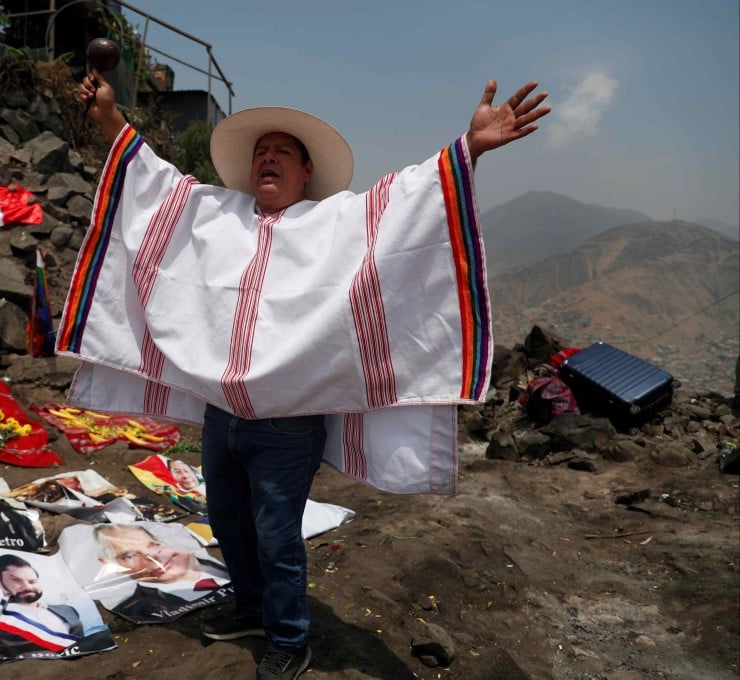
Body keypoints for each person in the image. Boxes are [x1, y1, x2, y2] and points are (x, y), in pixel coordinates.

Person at [73, 67, 549, 679]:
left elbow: (406, 203)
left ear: (306, 174)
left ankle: (290, 638)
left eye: (283, 154)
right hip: (224, 416)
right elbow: (156, 184)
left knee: (276, 536)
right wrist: (111, 116)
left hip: (287, 424)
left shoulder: (335, 224)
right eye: (260, 153)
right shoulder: (216, 214)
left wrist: (469, 148)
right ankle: (252, 610)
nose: (268, 160)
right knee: (228, 523)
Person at [93, 524, 230, 622]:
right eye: (130, 556)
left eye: (153, 545)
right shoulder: (139, 609)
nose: (153, 557)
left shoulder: (219, 566)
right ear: (111, 565)